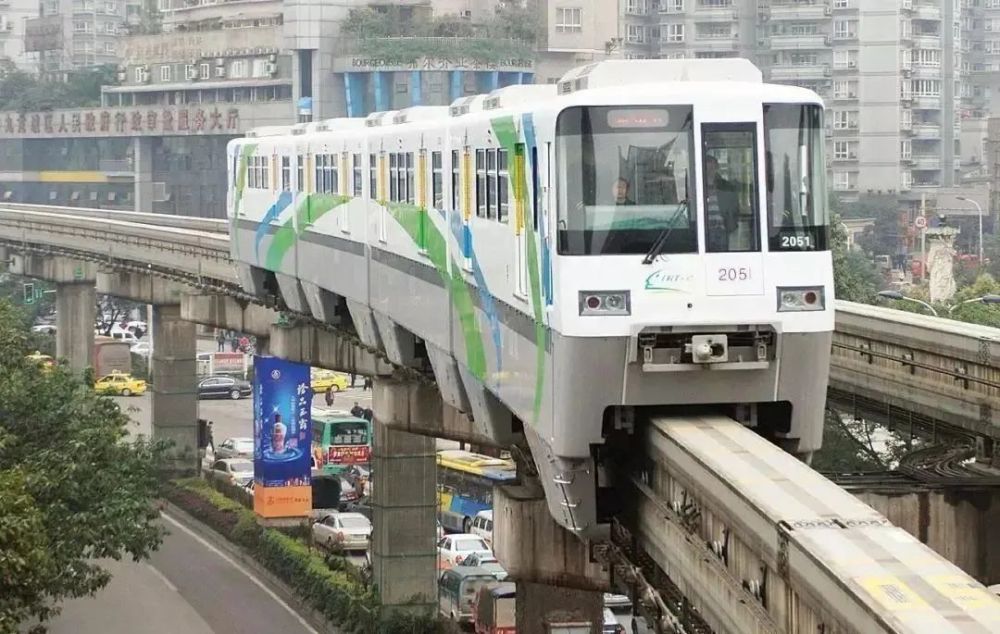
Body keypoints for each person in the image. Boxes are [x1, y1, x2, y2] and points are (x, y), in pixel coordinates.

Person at [703, 155, 742, 252]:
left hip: (721, 229)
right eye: (707, 168)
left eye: (712, 167)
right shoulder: (698, 186)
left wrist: (730, 224)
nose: (710, 170)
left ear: (717, 168)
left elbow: (734, 206)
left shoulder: (725, 185)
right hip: (704, 230)